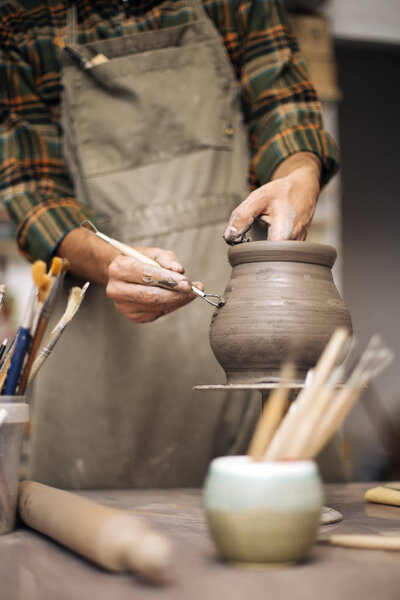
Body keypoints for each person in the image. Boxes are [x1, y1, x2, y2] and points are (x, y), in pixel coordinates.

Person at [0, 0, 340, 488]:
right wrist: (110, 261)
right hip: (106, 341)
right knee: (101, 543)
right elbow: (31, 193)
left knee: (287, 514)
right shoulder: (24, 19)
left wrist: (299, 175)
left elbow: (285, 110)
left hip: (262, 316)